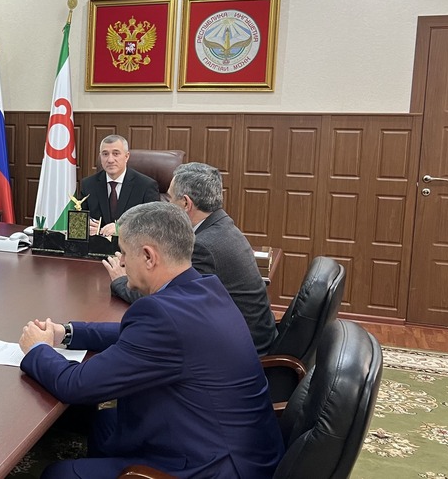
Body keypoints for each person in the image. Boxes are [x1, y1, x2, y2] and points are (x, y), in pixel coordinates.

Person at [18, 202, 283, 478]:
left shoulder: (163, 316)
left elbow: (76, 385)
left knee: (59, 474)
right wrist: (67, 332)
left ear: (148, 256)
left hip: (218, 467)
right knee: (105, 423)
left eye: (124, 252)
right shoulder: (204, 287)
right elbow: (133, 335)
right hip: (239, 443)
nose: (121, 262)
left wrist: (37, 348)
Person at [105, 162, 278, 355]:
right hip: (252, 334)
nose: (167, 205)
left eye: (170, 198)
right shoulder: (222, 225)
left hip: (243, 350)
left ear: (186, 204)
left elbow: (166, 300)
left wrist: (121, 281)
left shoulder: (203, 247)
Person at [78, 135, 160, 238]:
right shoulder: (88, 184)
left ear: (126, 156)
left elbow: (154, 224)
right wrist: (85, 225)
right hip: (97, 244)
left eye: (116, 154)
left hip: (131, 245)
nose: (110, 160)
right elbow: (79, 220)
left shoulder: (146, 186)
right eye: (105, 154)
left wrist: (121, 228)